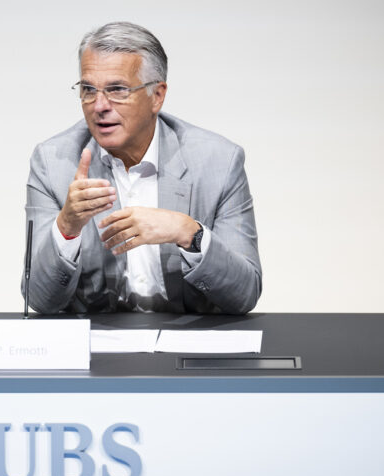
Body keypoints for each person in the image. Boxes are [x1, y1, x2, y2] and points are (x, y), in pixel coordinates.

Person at [23, 21, 261, 315]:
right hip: (97, 348)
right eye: (88, 90)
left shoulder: (219, 161)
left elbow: (245, 294)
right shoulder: (53, 162)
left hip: (188, 342)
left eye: (117, 90)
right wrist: (67, 227)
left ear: (157, 96)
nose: (99, 106)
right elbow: (40, 300)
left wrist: (188, 232)